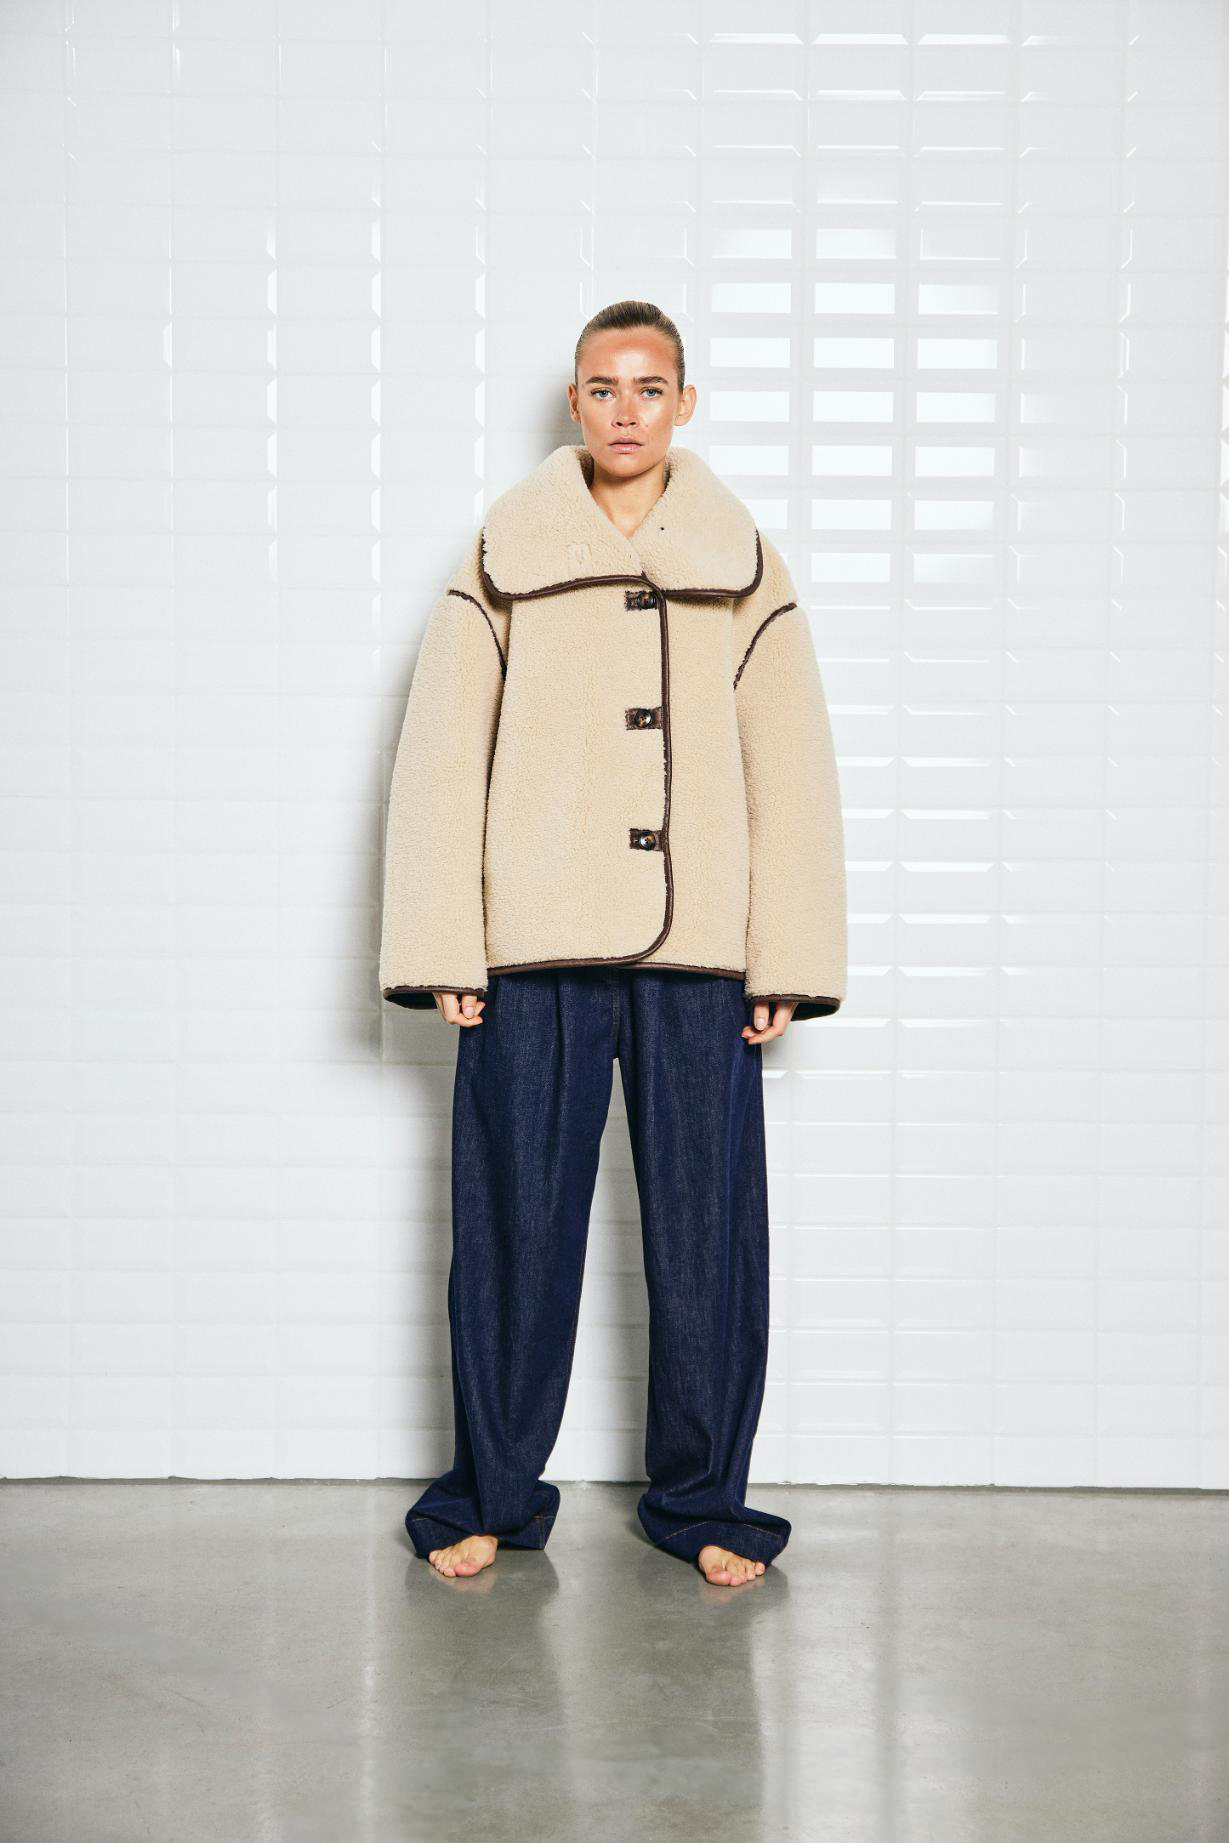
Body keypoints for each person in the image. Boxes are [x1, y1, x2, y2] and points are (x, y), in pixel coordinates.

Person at [379, 300, 847, 1587]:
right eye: (602, 387)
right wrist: (444, 945)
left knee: (707, 1234)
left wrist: (787, 955)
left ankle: (701, 1501)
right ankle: (488, 1492)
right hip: (529, 941)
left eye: (648, 388)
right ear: (573, 402)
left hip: (700, 944)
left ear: (684, 403)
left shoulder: (741, 560)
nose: (625, 411)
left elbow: (789, 764)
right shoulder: (504, 551)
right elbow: (439, 756)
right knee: (513, 1227)